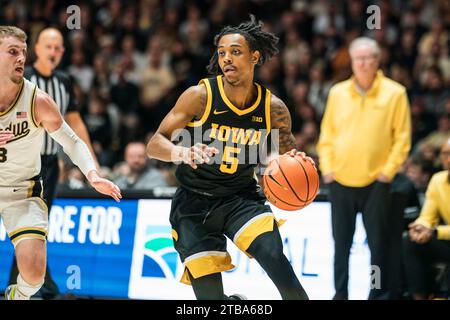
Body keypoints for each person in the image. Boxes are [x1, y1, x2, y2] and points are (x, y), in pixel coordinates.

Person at [146, 15, 313, 300]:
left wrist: (287, 164)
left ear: (255, 57)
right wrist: (182, 152)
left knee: (276, 260)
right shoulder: (199, 96)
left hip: (240, 198)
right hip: (193, 204)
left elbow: (283, 155)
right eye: (222, 53)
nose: (227, 59)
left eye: (235, 52)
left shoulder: (274, 108)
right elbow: (154, 143)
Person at [0, 26, 121, 300]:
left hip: (22, 192)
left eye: (23, 53)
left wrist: (92, 174)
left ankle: (15, 296)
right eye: (12, 52)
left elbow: (73, 140)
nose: (21, 58)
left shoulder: (38, 100)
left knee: (33, 275)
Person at [317, 37, 412, 300]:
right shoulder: (337, 93)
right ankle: (340, 294)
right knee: (341, 246)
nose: (363, 63)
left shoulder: (395, 93)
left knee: (378, 247)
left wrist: (387, 172)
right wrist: (328, 169)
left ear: (377, 60)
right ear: (352, 61)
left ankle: (377, 295)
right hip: (340, 182)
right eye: (358, 58)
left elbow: (402, 138)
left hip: (375, 183)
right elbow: (327, 135)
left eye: (368, 57)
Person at [403, 138, 450, 300]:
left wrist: (435, 232)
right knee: (410, 240)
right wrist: (419, 227)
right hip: (444, 238)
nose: (448, 159)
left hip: (442, 234)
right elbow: (427, 216)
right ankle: (419, 296)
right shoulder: (437, 180)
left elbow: (434, 230)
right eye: (445, 154)